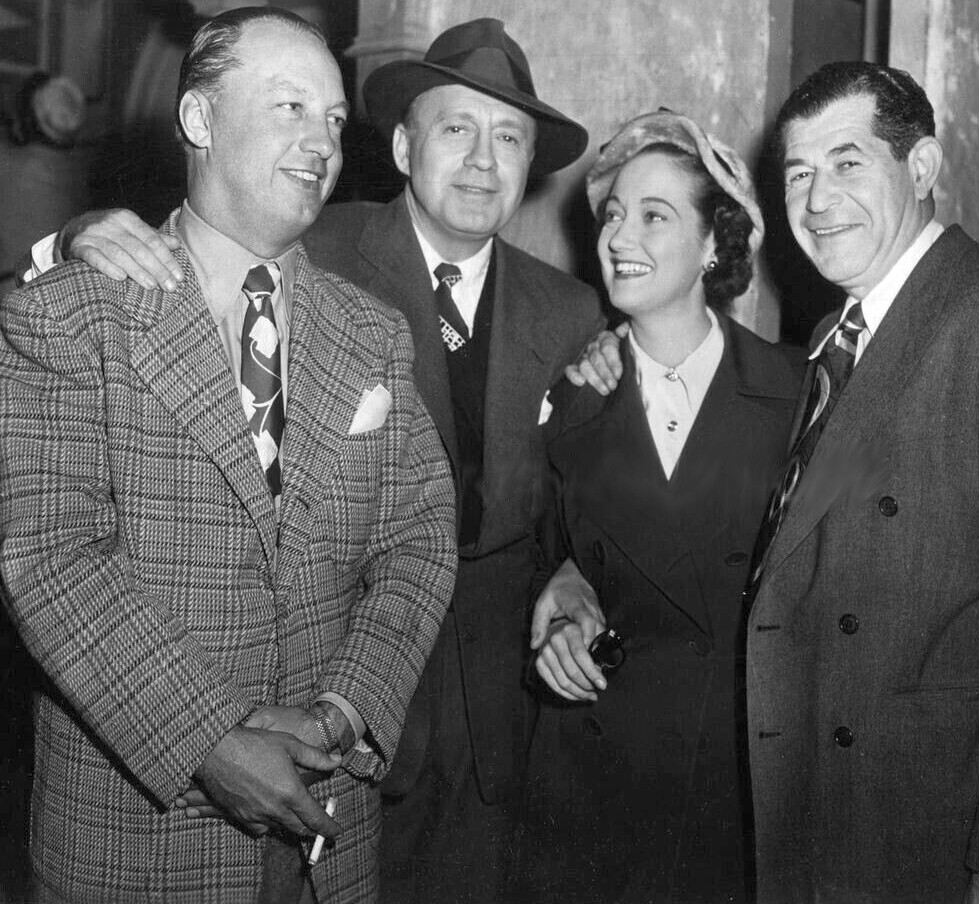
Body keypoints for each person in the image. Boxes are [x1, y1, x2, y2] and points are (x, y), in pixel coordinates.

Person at [22, 17, 605, 902]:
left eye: (333, 119)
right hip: (140, 836)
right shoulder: (81, 312)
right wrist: (209, 741)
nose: (322, 141)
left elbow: (422, 536)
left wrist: (343, 710)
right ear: (199, 118)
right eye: (289, 106)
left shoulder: (379, 327)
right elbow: (52, 555)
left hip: (348, 807)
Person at [520, 110, 804, 904]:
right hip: (593, 790)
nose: (618, 236)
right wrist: (559, 600)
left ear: (714, 242)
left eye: (653, 216)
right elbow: (536, 553)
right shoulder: (568, 401)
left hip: (739, 790)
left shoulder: (795, 395)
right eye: (612, 215)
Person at [742, 61, 979, 903]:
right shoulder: (835, 335)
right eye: (797, 173)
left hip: (923, 830)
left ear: (920, 167)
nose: (815, 200)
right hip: (824, 815)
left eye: (846, 162)